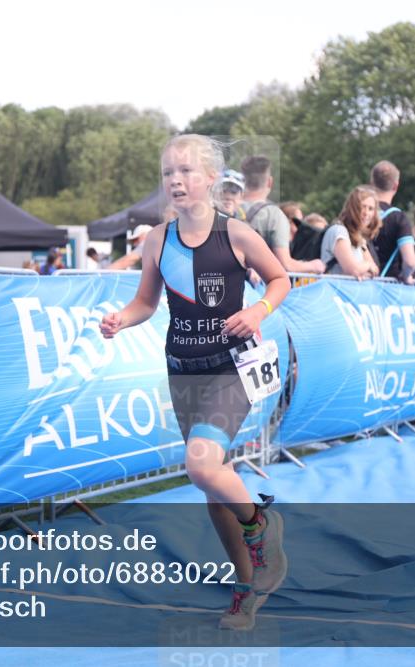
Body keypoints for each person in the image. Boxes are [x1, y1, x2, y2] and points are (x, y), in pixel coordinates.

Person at [100, 134, 291, 632]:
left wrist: (257, 309)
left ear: (210, 178)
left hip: (232, 366)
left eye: (186, 171)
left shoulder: (237, 234)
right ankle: (246, 587)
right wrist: (122, 318)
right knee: (211, 483)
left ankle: (262, 525)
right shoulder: (157, 240)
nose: (176, 181)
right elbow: (146, 302)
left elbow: (280, 279)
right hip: (183, 368)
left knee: (202, 464)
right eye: (168, 173)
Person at [239, 156, 325, 274]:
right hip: (257, 289)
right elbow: (285, 264)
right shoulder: (275, 216)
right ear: (269, 182)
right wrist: (314, 266)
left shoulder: (226, 209)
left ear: (243, 180)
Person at [320, 186, 381, 278]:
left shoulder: (358, 237)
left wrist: (364, 270)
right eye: (363, 207)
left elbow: (375, 271)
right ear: (353, 208)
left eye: (371, 209)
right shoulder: (339, 231)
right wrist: (368, 266)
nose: (366, 213)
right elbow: (353, 270)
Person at [370, 161, 415, 281]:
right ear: (396, 186)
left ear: (372, 183)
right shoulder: (398, 218)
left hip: (358, 285)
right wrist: (405, 276)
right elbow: (410, 262)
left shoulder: (358, 213)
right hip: (388, 286)